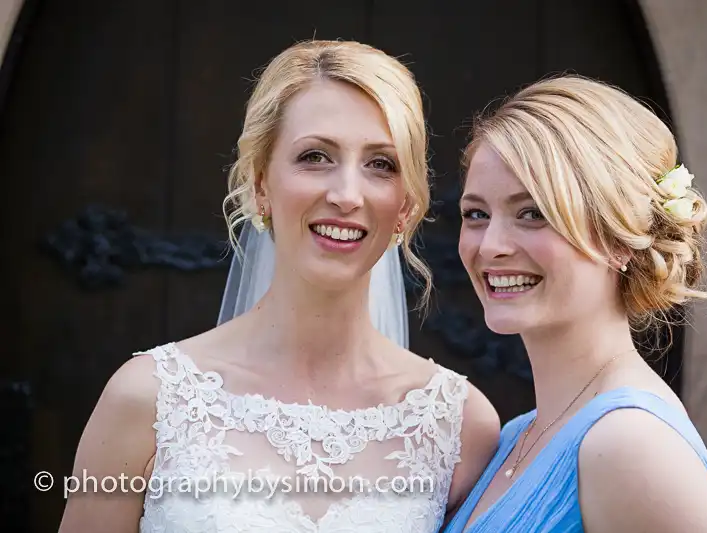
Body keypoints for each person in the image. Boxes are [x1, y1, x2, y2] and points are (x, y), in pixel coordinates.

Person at [58, 40, 499, 533]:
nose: (346, 195)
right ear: (261, 184)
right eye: (315, 156)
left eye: (380, 164)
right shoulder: (147, 399)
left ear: (406, 205)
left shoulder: (459, 427)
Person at [443, 75, 707, 532]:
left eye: (533, 212)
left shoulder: (631, 445)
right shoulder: (518, 435)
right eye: (476, 214)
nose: (491, 246)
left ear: (621, 238)